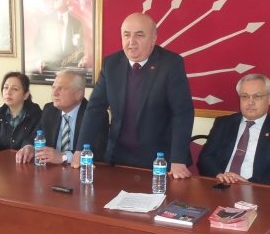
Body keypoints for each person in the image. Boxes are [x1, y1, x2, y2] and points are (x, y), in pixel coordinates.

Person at [75, 12, 194, 178]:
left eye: (139, 35)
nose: (131, 42)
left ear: (153, 38)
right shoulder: (111, 64)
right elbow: (95, 108)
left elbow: (182, 113)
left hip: (160, 161)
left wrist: (178, 159)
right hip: (118, 158)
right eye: (126, 35)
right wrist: (81, 149)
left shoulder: (170, 64)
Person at [197, 73, 270, 186]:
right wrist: (218, 175)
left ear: (269, 98)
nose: (250, 102)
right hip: (219, 184)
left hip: (256, 190)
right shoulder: (223, 123)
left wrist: (249, 183)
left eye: (257, 96)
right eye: (244, 96)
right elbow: (205, 158)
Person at [16, 69, 104, 164]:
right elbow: (35, 135)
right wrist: (29, 147)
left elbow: (98, 151)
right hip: (51, 169)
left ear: (78, 94)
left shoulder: (95, 114)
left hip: (81, 169)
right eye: (54, 87)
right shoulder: (49, 110)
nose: (54, 93)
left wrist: (64, 156)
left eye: (61, 89)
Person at [0, 72, 41, 153]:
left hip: (27, 160)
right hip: (2, 160)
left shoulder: (36, 115)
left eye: (15, 89)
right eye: (6, 87)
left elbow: (33, 142)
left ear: (25, 95)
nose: (8, 92)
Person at [33, 0, 86, 72]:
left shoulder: (76, 23)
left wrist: (81, 60)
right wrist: (38, 60)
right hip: (48, 70)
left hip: (70, 71)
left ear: (68, 1)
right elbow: (38, 43)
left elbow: (80, 47)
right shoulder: (45, 21)